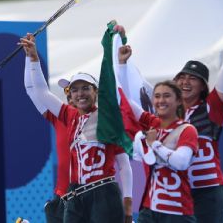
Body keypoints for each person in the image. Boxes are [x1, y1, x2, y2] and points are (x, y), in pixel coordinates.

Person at [19, 31, 133, 223]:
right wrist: (33, 57)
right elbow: (39, 91)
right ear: (69, 96)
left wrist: (128, 204)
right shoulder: (67, 115)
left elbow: (124, 164)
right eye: (74, 90)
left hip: (103, 193)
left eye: (86, 88)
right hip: (75, 196)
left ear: (96, 91)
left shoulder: (107, 117)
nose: (80, 94)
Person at [170, 9, 223, 223]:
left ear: (203, 86)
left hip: (208, 191)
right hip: (179, 191)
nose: (185, 82)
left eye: (192, 79)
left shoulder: (212, 106)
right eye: (182, 77)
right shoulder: (168, 112)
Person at [124, 79, 199, 222]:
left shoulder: (187, 129)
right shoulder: (153, 126)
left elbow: (181, 163)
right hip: (149, 210)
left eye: (166, 96)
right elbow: (125, 100)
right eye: (157, 96)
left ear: (178, 101)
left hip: (177, 211)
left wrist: (154, 144)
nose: (161, 100)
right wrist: (120, 64)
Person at [24, 64, 73, 223]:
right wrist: (30, 58)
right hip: (62, 198)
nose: (73, 95)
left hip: (89, 199)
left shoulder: (100, 121)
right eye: (69, 91)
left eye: (80, 89)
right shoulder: (60, 118)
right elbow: (32, 89)